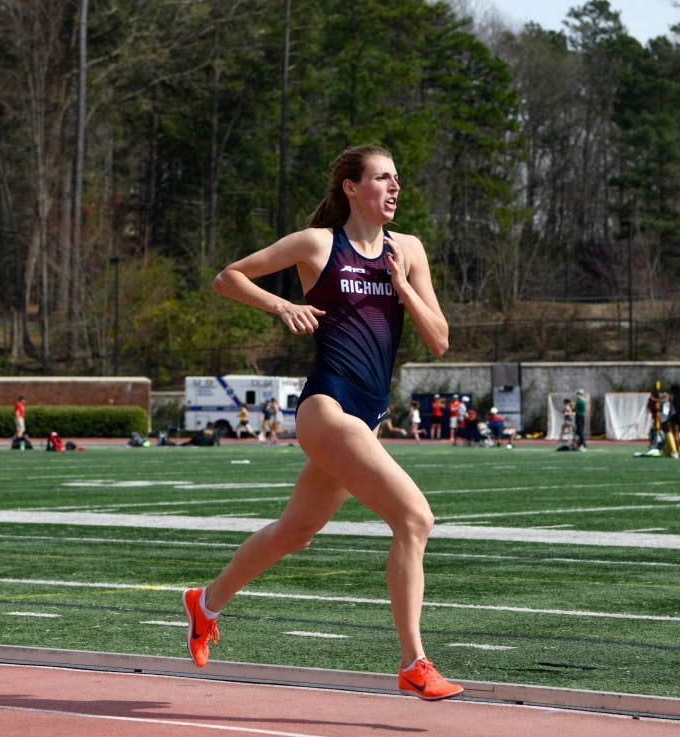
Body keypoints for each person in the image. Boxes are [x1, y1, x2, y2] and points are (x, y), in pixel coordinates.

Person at [181, 145, 462, 701]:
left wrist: (403, 287)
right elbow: (227, 277)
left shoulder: (408, 250)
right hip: (327, 409)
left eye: (397, 178)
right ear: (352, 188)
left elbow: (440, 339)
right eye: (382, 177)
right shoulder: (320, 245)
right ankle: (414, 661)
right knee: (414, 518)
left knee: (296, 532)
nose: (394, 186)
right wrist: (281, 306)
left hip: (369, 416)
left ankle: (205, 602)